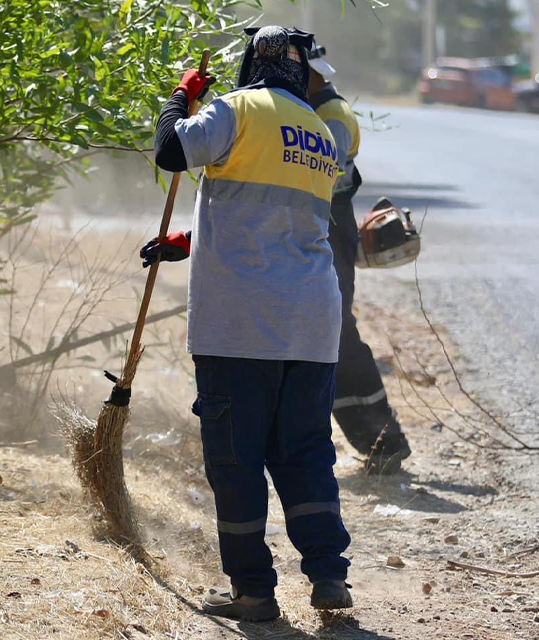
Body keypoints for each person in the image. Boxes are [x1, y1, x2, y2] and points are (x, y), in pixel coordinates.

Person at [143, 25, 354, 621]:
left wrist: (179, 100)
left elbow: (170, 152)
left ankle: (254, 593)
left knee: (237, 461)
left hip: (240, 324)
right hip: (312, 323)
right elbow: (279, 216)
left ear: (250, 66)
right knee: (306, 453)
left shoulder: (235, 108)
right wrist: (190, 240)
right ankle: (328, 577)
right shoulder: (318, 133)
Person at [305, 40, 412, 474]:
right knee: (330, 334)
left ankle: (383, 440)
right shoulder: (319, 109)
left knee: (336, 335)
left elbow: (316, 179)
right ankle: (377, 440)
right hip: (325, 230)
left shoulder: (330, 115)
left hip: (328, 230)